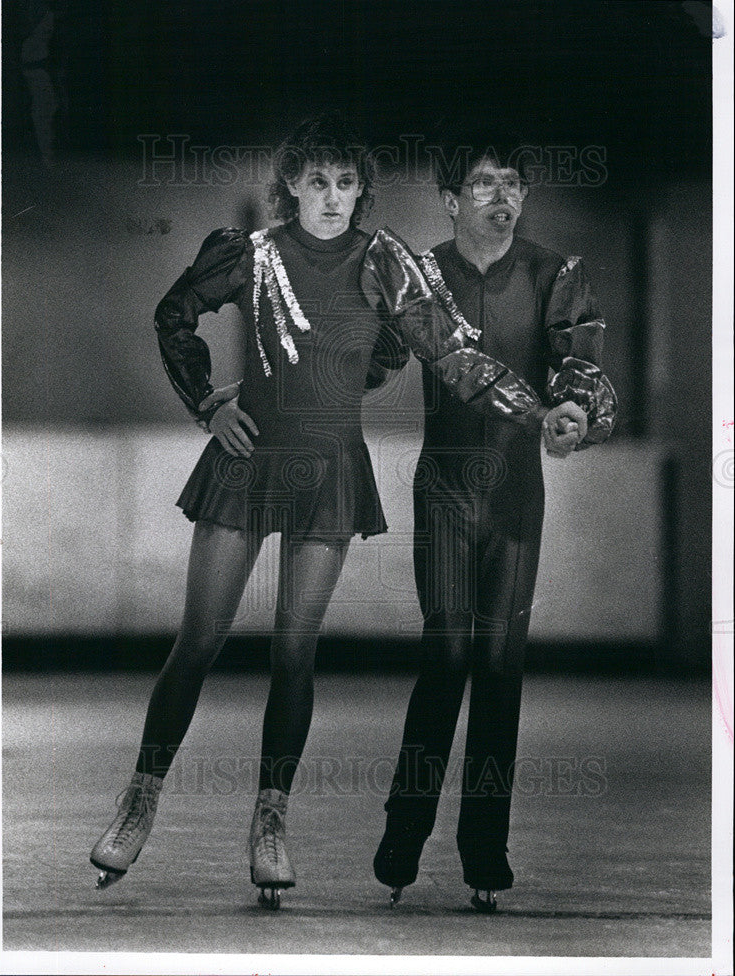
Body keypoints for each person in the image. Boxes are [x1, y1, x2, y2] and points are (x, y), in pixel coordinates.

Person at [88, 112, 583, 909]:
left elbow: (452, 355)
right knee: (199, 642)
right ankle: (138, 802)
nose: (332, 196)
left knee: (294, 652)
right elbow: (173, 315)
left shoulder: (386, 260)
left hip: (329, 473)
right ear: (290, 184)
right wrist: (207, 407)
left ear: (363, 190)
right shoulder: (249, 256)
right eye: (317, 181)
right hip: (247, 463)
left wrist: (536, 413)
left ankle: (270, 826)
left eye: (347, 182)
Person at [372, 132, 617, 912]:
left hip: (516, 494)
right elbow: (376, 359)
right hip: (443, 488)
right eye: (483, 184)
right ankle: (404, 831)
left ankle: (484, 848)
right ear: (451, 201)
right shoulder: (423, 277)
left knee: (501, 668)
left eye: (513, 183)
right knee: (446, 654)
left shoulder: (554, 272)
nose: (502, 196)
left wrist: (575, 410)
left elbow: (577, 365)